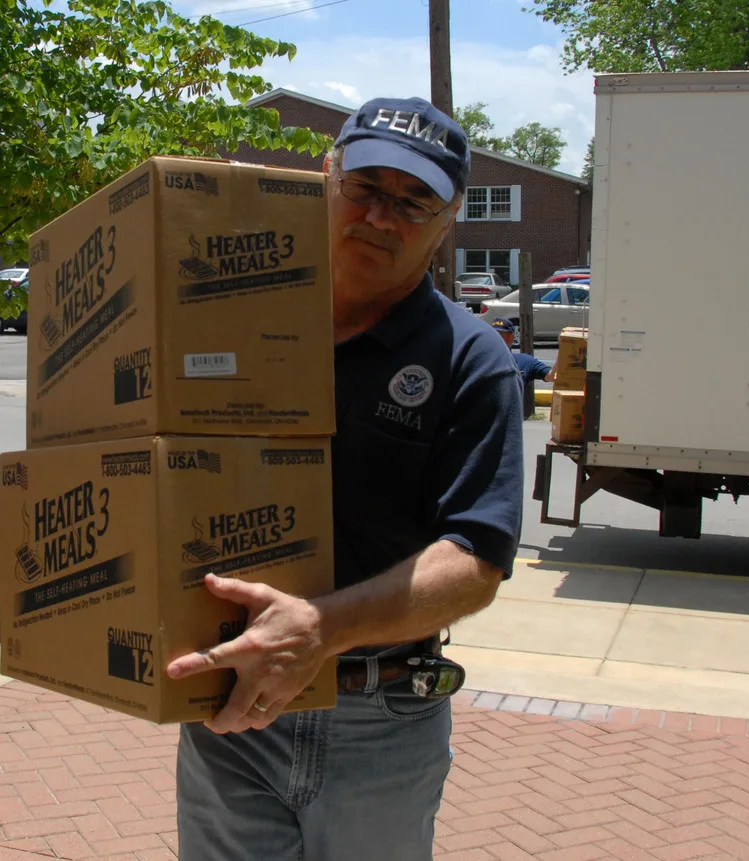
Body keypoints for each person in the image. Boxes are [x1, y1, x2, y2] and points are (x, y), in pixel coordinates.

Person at [168, 96, 525, 861]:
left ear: (449, 217)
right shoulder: (232, 324)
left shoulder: (470, 359)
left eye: (413, 201)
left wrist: (322, 627)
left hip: (380, 718)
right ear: (327, 177)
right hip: (234, 704)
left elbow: (477, 560)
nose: (381, 216)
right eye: (366, 187)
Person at [490, 317, 554, 383]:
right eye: (493, 334)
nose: (496, 338)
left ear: (511, 338)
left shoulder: (524, 361)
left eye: (501, 334)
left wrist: (563, 346)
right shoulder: (482, 361)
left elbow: (552, 376)